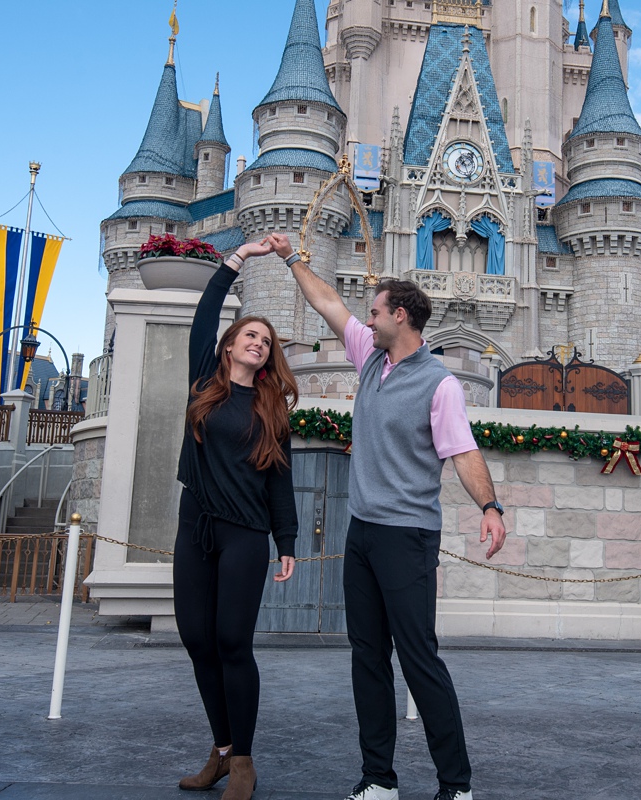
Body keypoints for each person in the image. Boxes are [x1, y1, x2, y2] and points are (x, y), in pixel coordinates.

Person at [264, 233, 507, 800]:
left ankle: (457, 785)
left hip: (409, 538)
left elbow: (463, 451)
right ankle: (378, 779)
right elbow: (328, 303)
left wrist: (491, 507)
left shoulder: (439, 383)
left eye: (375, 312)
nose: (366, 320)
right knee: (367, 658)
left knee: (419, 659)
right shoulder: (368, 359)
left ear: (401, 316)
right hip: (363, 535)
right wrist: (293, 257)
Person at [173, 239, 300, 800]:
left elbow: (280, 479)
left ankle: (244, 759)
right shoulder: (206, 380)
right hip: (195, 525)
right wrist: (241, 255)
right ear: (228, 347)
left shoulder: (271, 409)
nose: (258, 342)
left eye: (266, 341)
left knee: (232, 642)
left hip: (246, 533)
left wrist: (287, 540)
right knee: (196, 639)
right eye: (250, 335)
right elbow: (206, 312)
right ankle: (221, 751)